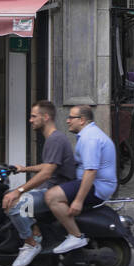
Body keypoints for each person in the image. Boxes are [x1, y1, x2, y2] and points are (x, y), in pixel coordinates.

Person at [2, 101, 76, 266]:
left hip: (55, 192)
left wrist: (19, 191)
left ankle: (31, 243)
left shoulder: (55, 140)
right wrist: (24, 169)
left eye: (34, 116)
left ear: (46, 117)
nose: (30, 120)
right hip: (50, 189)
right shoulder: (53, 139)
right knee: (13, 195)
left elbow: (47, 172)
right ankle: (35, 230)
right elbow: (49, 165)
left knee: (12, 203)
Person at [45, 105, 118, 254]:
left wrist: (78, 200)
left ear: (82, 120)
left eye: (71, 117)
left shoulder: (90, 138)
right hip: (94, 184)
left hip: (97, 187)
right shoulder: (89, 135)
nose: (67, 121)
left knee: (52, 196)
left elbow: (90, 171)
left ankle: (75, 235)